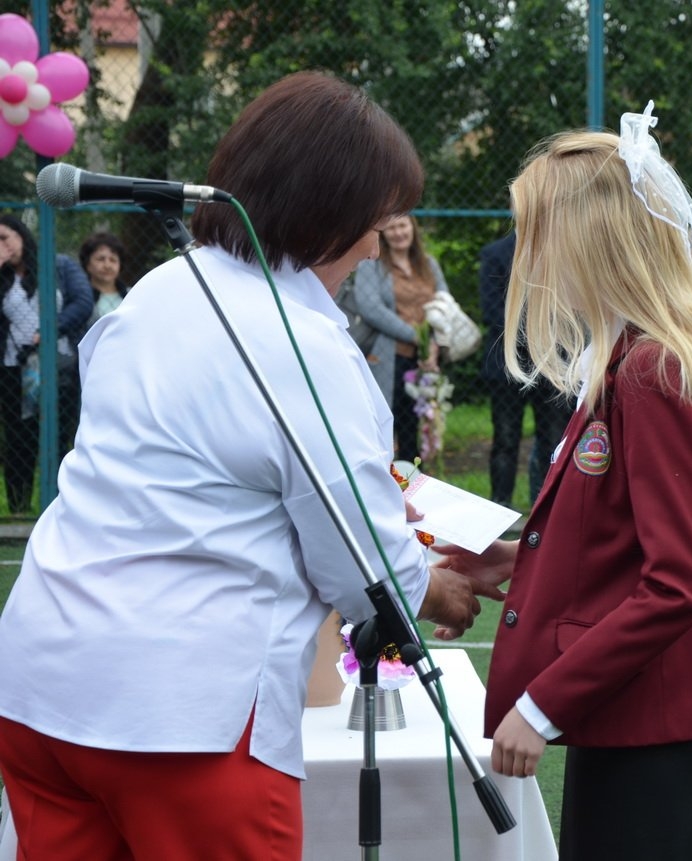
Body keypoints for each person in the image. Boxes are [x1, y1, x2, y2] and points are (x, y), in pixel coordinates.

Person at [0, 72, 487, 860]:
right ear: (329, 215)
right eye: (374, 222)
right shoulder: (306, 344)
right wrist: (437, 585)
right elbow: (364, 568)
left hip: (40, 684)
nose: (375, 244)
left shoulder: (158, 293)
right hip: (182, 720)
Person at [437, 113, 692, 861]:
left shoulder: (651, 370)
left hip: (649, 712)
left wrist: (541, 706)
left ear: (590, 240)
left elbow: (678, 584)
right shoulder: (627, 359)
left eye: (539, 231)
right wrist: (511, 561)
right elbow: (616, 539)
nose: (530, 253)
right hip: (626, 708)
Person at [0, 214, 92, 513]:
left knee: (61, 435)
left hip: (57, 365)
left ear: (21, 235)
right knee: (18, 439)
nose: (2, 245)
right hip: (15, 369)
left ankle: (61, 503)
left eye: (4, 238)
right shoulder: (3, 276)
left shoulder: (59, 265)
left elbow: (83, 301)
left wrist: (51, 330)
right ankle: (19, 507)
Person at [479, 230, 570, 507]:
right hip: (507, 366)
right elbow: (492, 312)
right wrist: (537, 332)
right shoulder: (494, 254)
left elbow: (567, 308)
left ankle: (548, 509)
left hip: (551, 365)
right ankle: (500, 507)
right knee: (506, 440)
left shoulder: (561, 252)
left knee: (553, 441)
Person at [350, 213, 450, 461]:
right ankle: (390, 478)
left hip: (426, 361)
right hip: (388, 358)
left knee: (421, 427)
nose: (398, 233)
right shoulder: (372, 264)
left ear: (413, 227)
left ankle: (418, 479)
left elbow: (444, 304)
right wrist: (415, 336)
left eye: (403, 225)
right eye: (391, 228)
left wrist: (432, 345)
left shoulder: (428, 264)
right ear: (383, 232)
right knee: (388, 426)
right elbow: (371, 308)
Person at [79, 231, 131, 327]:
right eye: (100, 259)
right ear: (87, 264)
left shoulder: (131, 295)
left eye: (113, 260)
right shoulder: (79, 298)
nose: (107, 265)